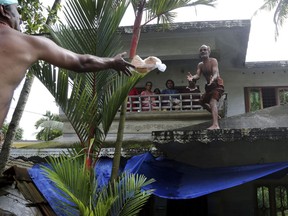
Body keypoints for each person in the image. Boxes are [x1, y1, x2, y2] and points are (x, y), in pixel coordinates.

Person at [0, 1, 134, 129]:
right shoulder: (28, 44)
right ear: (3, 10)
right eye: (16, 9)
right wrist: (112, 62)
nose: (20, 16)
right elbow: (81, 63)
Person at [187, 44, 224, 129]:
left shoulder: (213, 61)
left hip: (217, 84)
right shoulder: (200, 64)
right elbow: (198, 75)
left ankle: (215, 125)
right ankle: (216, 116)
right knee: (201, 102)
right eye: (201, 50)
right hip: (209, 86)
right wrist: (192, 77)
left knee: (212, 102)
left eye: (204, 50)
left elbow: (215, 72)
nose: (203, 51)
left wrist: (213, 79)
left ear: (209, 51)